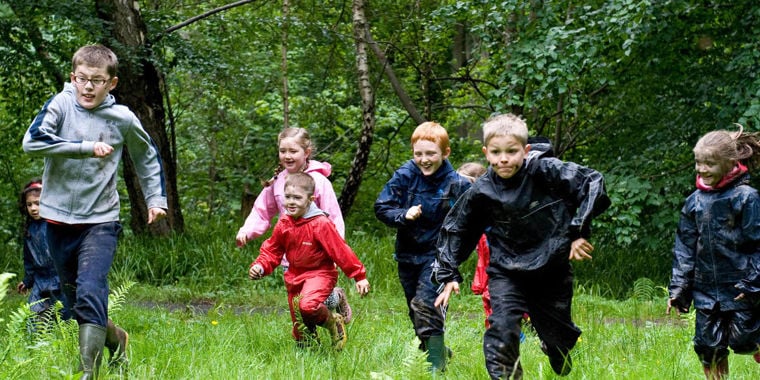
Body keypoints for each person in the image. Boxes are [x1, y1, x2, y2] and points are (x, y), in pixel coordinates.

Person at [22, 44, 165, 379]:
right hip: (56, 219)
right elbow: (32, 141)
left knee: (91, 288)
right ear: (73, 78)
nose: (87, 87)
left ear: (110, 83)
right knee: (74, 303)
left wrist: (156, 199)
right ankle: (117, 341)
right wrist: (84, 149)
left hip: (100, 220)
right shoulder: (60, 105)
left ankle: (89, 373)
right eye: (82, 79)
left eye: (96, 81)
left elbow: (146, 157)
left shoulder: (122, 118)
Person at [433, 113, 610, 379]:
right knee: (502, 330)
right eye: (496, 152)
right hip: (507, 270)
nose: (503, 159)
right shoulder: (482, 190)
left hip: (552, 267)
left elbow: (591, 182)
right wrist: (448, 273)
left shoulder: (546, 170)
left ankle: (556, 348)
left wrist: (578, 231)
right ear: (486, 153)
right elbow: (457, 227)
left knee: (558, 338)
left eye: (511, 152)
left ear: (525, 151)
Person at [374, 121, 471, 372]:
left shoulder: (457, 184)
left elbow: (473, 220)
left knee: (427, 304)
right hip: (408, 254)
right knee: (415, 311)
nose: (424, 159)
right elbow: (382, 207)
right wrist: (403, 215)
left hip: (439, 256)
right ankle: (438, 350)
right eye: (419, 154)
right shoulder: (405, 175)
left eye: (431, 154)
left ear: (445, 153)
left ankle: (436, 369)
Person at [667, 127, 760, 380]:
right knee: (708, 347)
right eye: (698, 162)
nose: (702, 169)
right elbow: (684, 248)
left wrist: (754, 284)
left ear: (731, 163)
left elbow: (758, 245)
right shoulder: (694, 202)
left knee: (745, 340)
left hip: (742, 287)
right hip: (706, 288)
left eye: (709, 163)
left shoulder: (746, 197)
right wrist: (678, 289)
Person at [235, 127, 354, 323]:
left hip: (319, 257)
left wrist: (336, 253)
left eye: (293, 151)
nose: (287, 156)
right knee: (299, 302)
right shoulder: (277, 182)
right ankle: (308, 343)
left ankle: (337, 297)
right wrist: (247, 231)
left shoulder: (320, 182)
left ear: (306, 152)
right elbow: (261, 210)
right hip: (290, 255)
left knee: (323, 299)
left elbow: (334, 219)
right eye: (283, 151)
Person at [248, 173, 370, 350]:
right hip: (294, 275)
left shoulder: (320, 223)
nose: (291, 202)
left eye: (297, 198)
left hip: (320, 273)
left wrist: (359, 276)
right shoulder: (284, 222)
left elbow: (341, 251)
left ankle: (333, 322)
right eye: (288, 197)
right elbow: (272, 250)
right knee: (301, 328)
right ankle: (311, 348)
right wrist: (260, 266)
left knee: (307, 306)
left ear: (310, 199)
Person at [16, 179, 63, 329]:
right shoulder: (29, 230)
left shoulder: (56, 225)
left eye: (38, 203)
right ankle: (39, 347)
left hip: (60, 278)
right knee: (34, 320)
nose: (34, 208)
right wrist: (27, 281)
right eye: (29, 205)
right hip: (40, 281)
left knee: (68, 319)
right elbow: (29, 259)